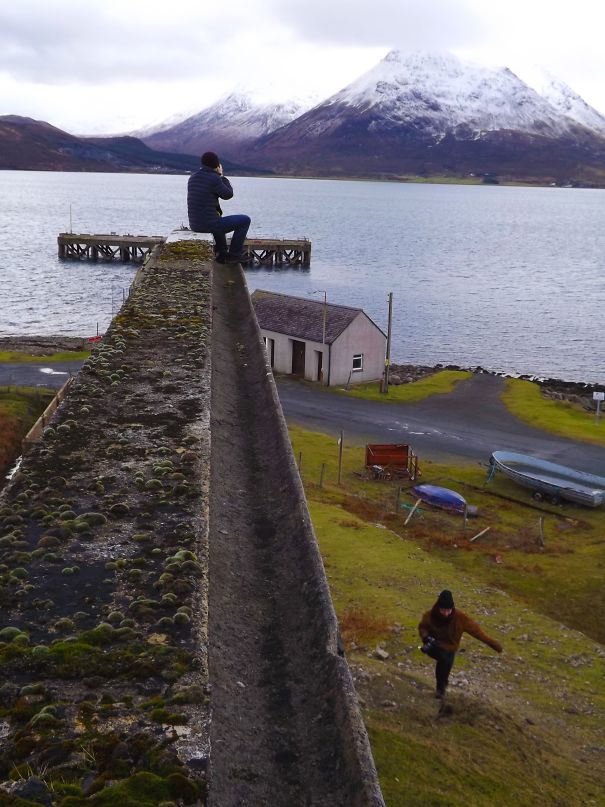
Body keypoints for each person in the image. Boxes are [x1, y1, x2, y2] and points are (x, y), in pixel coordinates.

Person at [418, 589, 502, 699]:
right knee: (444, 659)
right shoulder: (429, 615)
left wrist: (494, 644)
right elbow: (422, 627)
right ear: (438, 607)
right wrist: (426, 637)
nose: (446, 613)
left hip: (450, 648)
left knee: (447, 664)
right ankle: (440, 690)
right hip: (434, 646)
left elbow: (477, 631)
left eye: (449, 610)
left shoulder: (460, 618)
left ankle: (443, 683)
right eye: (443, 610)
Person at [187, 151, 251, 263]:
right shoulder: (214, 178)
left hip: (195, 225)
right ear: (217, 165)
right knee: (245, 220)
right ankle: (234, 255)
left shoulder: (192, 178)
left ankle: (222, 253)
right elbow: (228, 195)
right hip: (209, 225)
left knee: (217, 219)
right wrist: (222, 176)